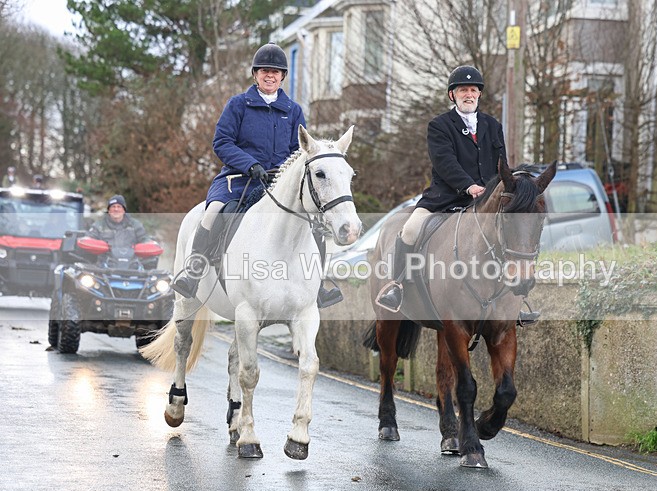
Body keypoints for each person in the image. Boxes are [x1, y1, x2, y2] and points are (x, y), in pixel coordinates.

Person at [172, 42, 341, 306]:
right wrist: (249, 164)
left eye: (275, 72)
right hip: (239, 179)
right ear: (255, 74)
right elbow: (222, 142)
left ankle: (318, 283)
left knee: (312, 224)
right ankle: (193, 271)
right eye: (265, 71)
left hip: (279, 183)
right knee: (214, 210)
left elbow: (301, 152)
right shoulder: (238, 105)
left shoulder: (293, 110)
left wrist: (284, 173)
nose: (270, 75)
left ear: (283, 76)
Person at [376, 65, 538, 324]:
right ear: (453, 95)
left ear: (479, 95)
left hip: (485, 200)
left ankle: (514, 304)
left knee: (509, 237)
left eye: (473, 90)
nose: (469, 94)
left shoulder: (492, 126)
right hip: (445, 197)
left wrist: (501, 189)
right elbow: (444, 162)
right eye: (463, 90)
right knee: (410, 230)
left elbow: (501, 164)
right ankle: (397, 286)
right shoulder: (439, 125)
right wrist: (468, 186)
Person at [88, 195, 152, 249]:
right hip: (105, 260)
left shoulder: (135, 224)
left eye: (119, 207)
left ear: (124, 210)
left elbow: (145, 239)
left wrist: (149, 244)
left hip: (131, 261)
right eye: (113, 207)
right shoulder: (99, 225)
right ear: (109, 211)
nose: (116, 209)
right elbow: (89, 238)